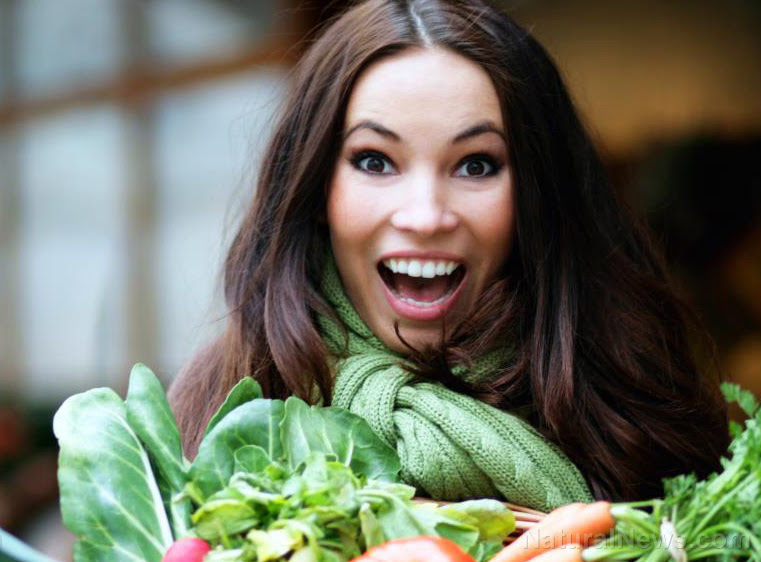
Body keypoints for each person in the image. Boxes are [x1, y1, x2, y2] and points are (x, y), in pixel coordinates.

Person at [168, 0, 729, 510]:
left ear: (536, 196)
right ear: (318, 189)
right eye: (374, 161)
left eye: (476, 165)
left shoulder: (623, 402)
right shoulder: (227, 396)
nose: (426, 215)